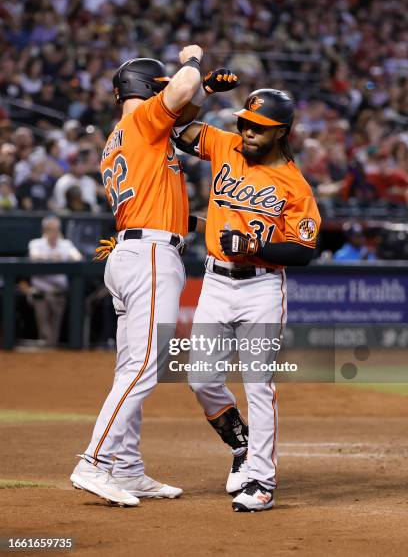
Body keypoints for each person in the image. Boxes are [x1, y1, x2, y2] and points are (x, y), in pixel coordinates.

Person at [70, 45, 216, 507]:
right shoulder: (141, 122)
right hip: (150, 255)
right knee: (145, 368)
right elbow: (182, 88)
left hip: (136, 250)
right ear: (147, 90)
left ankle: (127, 467)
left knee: (131, 367)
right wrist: (193, 60)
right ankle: (93, 461)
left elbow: (163, 203)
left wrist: (206, 88)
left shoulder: (126, 134)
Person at [174, 88, 321, 512]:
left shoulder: (295, 185)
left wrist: (254, 246)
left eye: (259, 127)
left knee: (259, 385)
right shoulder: (226, 145)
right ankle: (241, 444)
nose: (248, 131)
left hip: (262, 288)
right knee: (201, 378)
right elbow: (179, 128)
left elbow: (304, 250)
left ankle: (261, 481)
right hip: (216, 284)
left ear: (282, 133)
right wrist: (200, 93)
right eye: (245, 122)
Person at [27, 216, 82, 346]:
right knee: (45, 331)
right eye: (50, 229)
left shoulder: (66, 244)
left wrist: (64, 256)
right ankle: (45, 350)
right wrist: (51, 257)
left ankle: (50, 352)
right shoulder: (36, 243)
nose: (53, 232)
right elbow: (34, 256)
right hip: (40, 293)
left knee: (54, 333)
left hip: (59, 293)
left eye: (56, 229)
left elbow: (78, 257)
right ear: (44, 230)